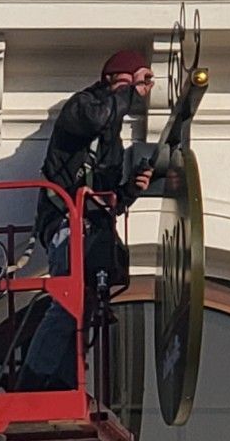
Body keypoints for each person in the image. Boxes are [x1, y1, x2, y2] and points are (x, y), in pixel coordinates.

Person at [18, 49, 155, 391]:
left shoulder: (111, 141)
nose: (148, 87)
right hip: (65, 222)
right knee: (70, 299)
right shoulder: (83, 105)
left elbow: (105, 200)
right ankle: (34, 378)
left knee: (85, 301)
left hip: (86, 225)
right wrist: (126, 86)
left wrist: (129, 191)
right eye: (143, 78)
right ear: (119, 78)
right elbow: (94, 119)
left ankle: (60, 380)